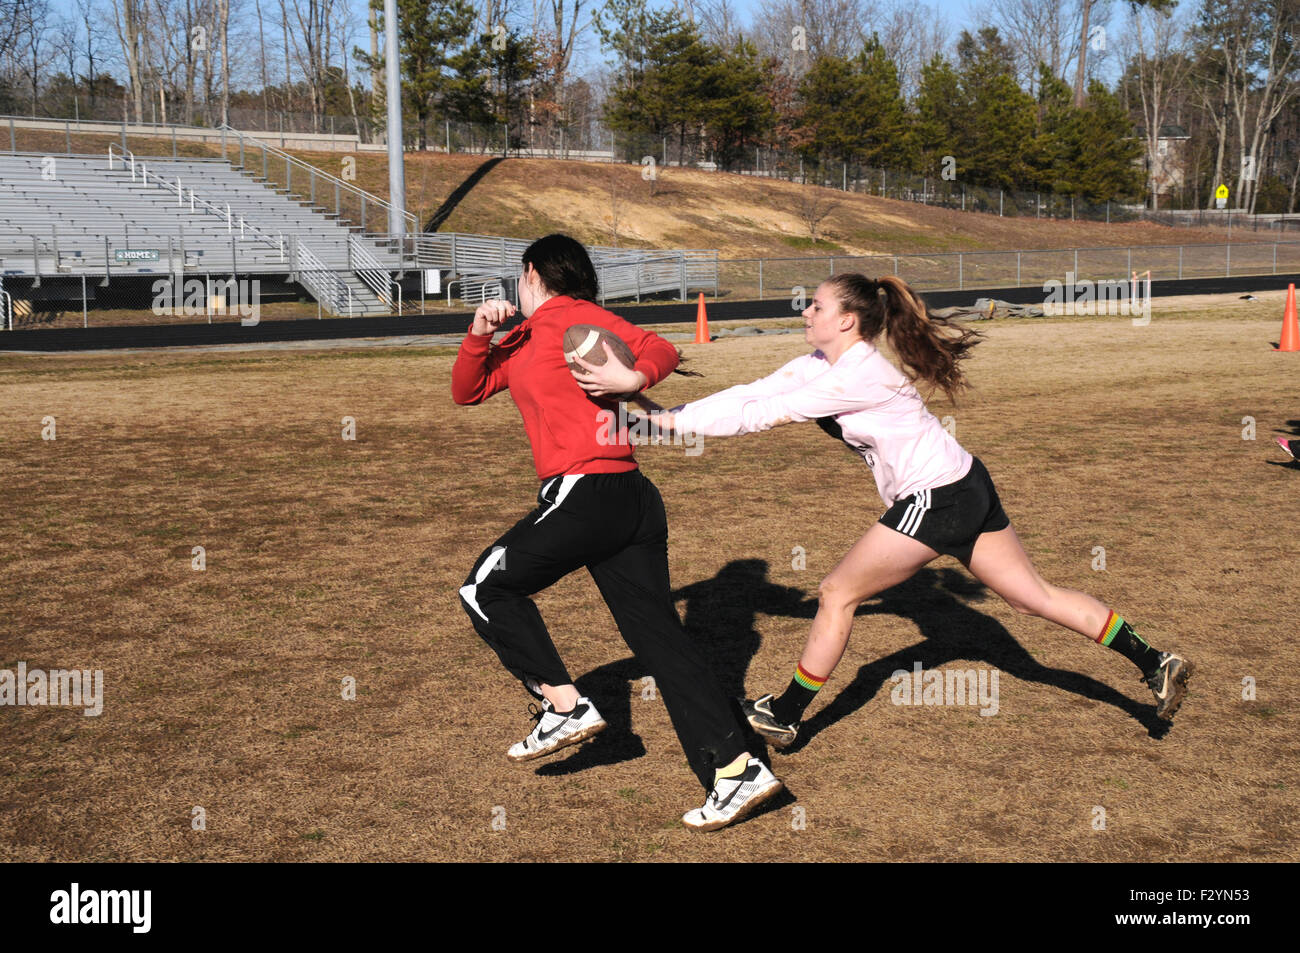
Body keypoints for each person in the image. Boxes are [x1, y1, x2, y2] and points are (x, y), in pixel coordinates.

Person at [590, 273, 1193, 749]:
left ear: (847, 320)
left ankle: (786, 713)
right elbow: (751, 394)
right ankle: (1154, 660)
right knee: (1034, 595)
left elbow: (757, 417)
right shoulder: (821, 365)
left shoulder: (857, 375)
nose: (806, 312)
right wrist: (657, 406)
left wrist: (656, 420)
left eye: (817, 307)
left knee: (836, 593)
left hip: (937, 498)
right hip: (966, 483)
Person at [451, 233, 782, 830]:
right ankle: (738, 770)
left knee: (485, 588)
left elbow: (660, 347)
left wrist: (633, 383)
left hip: (590, 493)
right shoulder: (525, 337)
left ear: (532, 275)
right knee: (662, 644)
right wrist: (480, 333)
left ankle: (565, 707)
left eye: (520, 280)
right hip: (628, 503)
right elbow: (467, 390)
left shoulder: (577, 318)